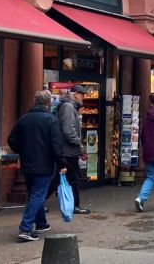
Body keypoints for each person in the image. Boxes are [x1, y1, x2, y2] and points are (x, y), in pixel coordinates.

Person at [7, 90, 66, 242]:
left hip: (27, 164)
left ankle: (41, 223)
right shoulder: (51, 120)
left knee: (35, 193)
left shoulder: (24, 119)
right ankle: (25, 228)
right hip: (44, 164)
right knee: (37, 194)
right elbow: (57, 144)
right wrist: (62, 163)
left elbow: (12, 140)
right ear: (48, 103)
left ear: (35, 101)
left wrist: (23, 151)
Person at [46, 85, 90, 215]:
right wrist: (80, 146)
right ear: (75, 94)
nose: (83, 98)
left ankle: (38, 202)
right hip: (68, 151)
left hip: (68, 151)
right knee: (73, 178)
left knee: (60, 179)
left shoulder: (69, 106)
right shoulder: (68, 107)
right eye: (82, 95)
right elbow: (68, 131)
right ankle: (75, 206)